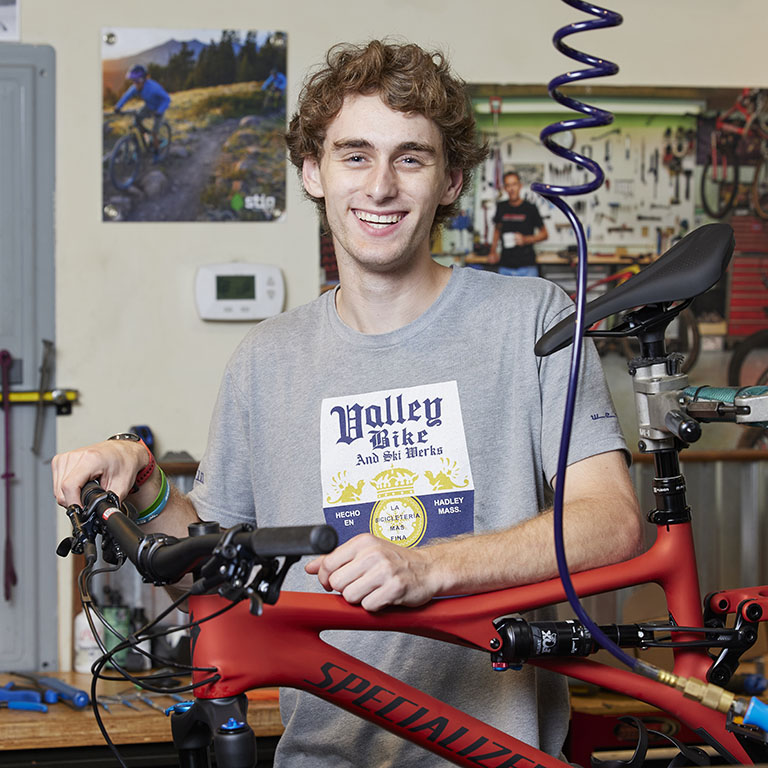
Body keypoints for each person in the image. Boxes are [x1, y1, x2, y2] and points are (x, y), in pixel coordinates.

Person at [53, 40, 642, 767]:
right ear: (314, 171)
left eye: (411, 158)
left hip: (496, 755)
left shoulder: (531, 321)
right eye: (355, 155)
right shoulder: (265, 360)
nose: (381, 186)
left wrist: (430, 567)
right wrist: (142, 479)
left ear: (451, 180)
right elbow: (203, 562)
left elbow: (611, 521)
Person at [490, 171, 549, 276]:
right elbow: (497, 230)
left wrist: (526, 239)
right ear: (505, 188)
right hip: (505, 266)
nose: (512, 189)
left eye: (514, 184)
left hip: (527, 266)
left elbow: (544, 234)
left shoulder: (530, 208)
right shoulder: (501, 207)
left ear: (520, 186)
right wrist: (493, 251)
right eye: (508, 185)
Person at [113, 64, 171, 162]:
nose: (135, 84)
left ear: (143, 80)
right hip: (148, 106)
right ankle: (146, 139)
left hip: (159, 108)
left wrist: (160, 111)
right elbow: (126, 96)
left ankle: (156, 154)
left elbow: (167, 99)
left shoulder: (153, 88)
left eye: (137, 81)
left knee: (154, 132)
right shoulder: (135, 87)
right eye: (133, 81)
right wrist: (118, 106)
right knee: (137, 120)